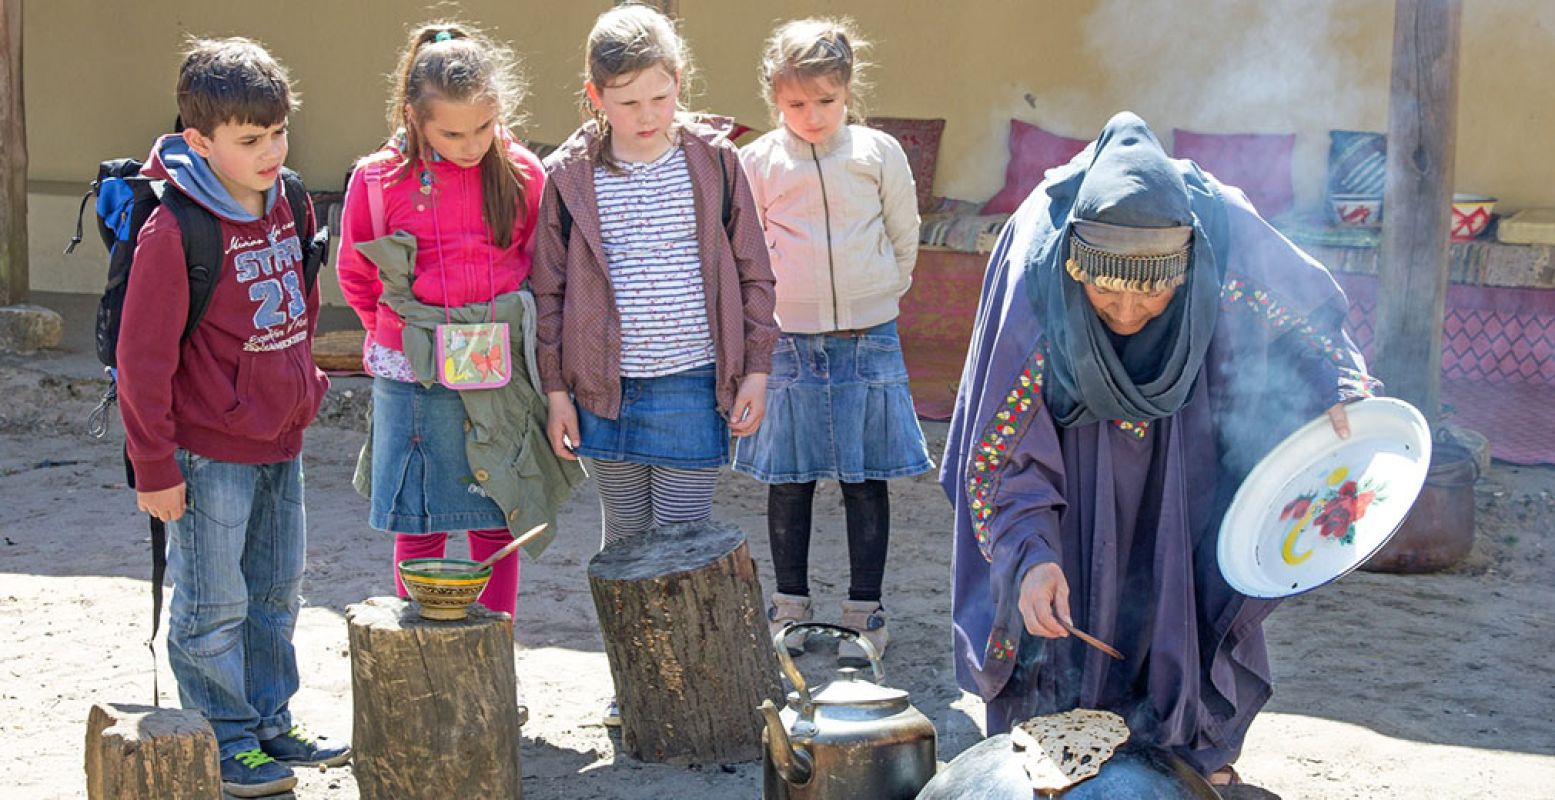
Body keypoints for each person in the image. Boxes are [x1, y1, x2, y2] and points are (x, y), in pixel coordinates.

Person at [940, 112, 1379, 784]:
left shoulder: (1221, 235)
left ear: (1185, 270)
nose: (1123, 315)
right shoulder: (1038, 270)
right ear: (1073, 269)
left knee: (1184, 584)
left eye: (1151, 295)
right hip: (1069, 464)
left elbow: (1307, 319)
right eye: (1104, 292)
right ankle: (1063, 758)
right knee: (1059, 600)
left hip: (1188, 451)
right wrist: (1029, 554)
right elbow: (1000, 448)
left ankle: (1183, 757)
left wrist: (1339, 385)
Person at [531, 3, 778, 725]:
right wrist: (554, 391)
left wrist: (757, 366)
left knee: (680, 537)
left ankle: (686, 688)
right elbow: (546, 292)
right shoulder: (567, 175)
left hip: (692, 383)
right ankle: (634, 683)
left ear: (681, 82)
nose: (646, 114)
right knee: (625, 541)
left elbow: (754, 268)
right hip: (601, 389)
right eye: (627, 101)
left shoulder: (715, 160)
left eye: (660, 96)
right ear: (594, 97)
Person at [116, 38, 348, 797]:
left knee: (277, 592)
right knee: (214, 604)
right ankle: (225, 739)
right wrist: (153, 468)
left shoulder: (291, 199)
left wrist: (303, 385)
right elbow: (143, 363)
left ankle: (271, 720)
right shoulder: (174, 230)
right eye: (250, 140)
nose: (271, 151)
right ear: (200, 141)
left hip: (282, 441)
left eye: (278, 133)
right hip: (207, 454)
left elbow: (303, 300)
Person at [337, 23, 582, 620]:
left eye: (483, 126)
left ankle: (495, 641)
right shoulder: (377, 180)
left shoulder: (524, 171)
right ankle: (416, 644)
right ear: (413, 116)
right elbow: (357, 274)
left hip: (497, 365)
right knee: (418, 516)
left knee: (496, 513)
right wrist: (401, 337)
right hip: (413, 371)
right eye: (451, 132)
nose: (470, 144)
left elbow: (539, 266)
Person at [734, 18, 931, 667]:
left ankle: (863, 612)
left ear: (847, 91)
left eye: (825, 101)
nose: (811, 116)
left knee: (863, 477)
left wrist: (881, 289)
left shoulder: (877, 153)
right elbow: (748, 248)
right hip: (788, 342)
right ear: (775, 100)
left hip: (866, 338)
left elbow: (904, 231)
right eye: (795, 104)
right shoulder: (757, 161)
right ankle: (788, 606)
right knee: (788, 481)